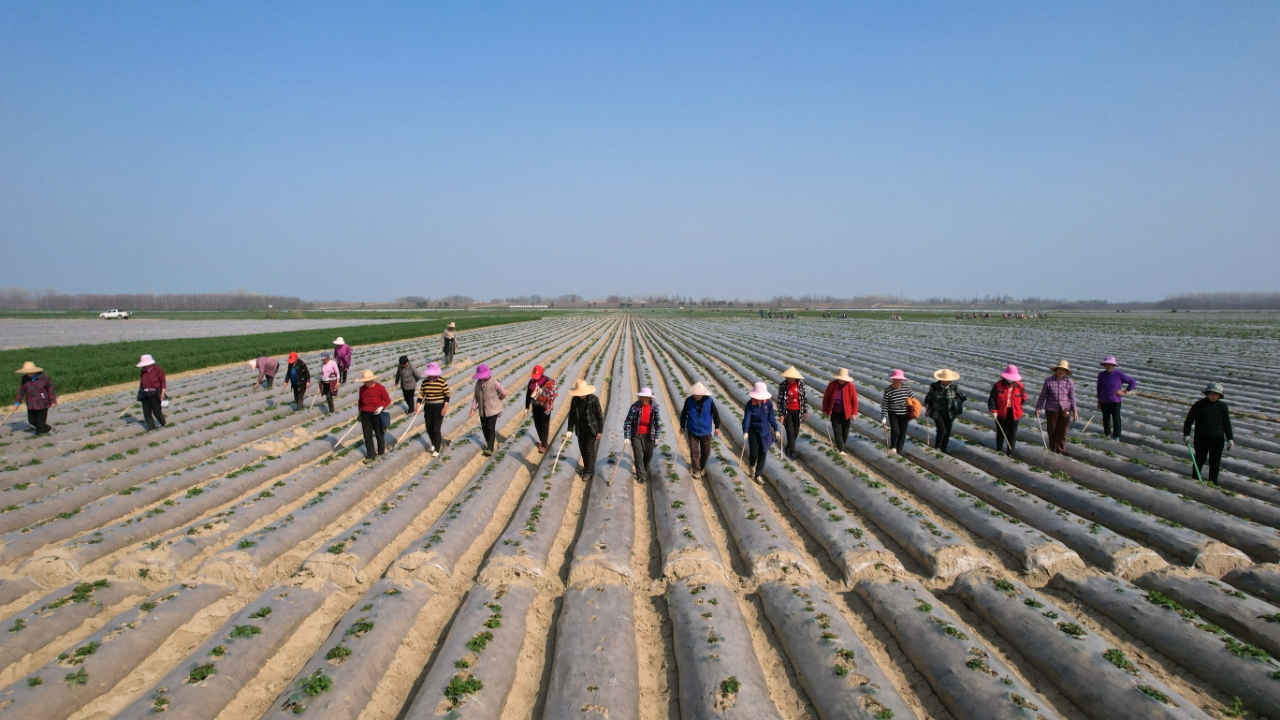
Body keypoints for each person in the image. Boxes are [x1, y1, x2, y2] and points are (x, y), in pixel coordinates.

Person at [1184, 382, 1233, 485]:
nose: (1213, 396)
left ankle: (1212, 483)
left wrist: (1230, 438)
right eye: (1211, 394)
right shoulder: (1199, 405)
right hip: (1201, 437)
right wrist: (1186, 434)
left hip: (1217, 439)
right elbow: (1189, 420)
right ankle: (1195, 480)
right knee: (1199, 459)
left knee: (1215, 462)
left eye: (1216, 394)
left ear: (1219, 395)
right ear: (1207, 394)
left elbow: (1227, 424)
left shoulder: (1222, 407)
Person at [679, 381, 721, 478]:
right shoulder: (689, 401)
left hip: (705, 431)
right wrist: (682, 426)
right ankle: (696, 470)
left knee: (706, 451)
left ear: (702, 394)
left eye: (698, 394)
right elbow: (684, 414)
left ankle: (701, 467)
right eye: (695, 394)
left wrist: (717, 427)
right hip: (692, 430)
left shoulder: (709, 401)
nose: (696, 396)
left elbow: (715, 414)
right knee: (694, 451)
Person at [1035, 360, 1078, 454]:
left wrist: (1074, 410)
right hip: (1051, 409)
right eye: (1059, 369)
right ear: (1056, 370)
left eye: (1063, 370)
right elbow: (1043, 395)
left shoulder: (1069, 383)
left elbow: (1072, 397)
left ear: (1066, 372)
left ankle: (1060, 451)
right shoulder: (1049, 381)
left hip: (1065, 409)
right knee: (1052, 430)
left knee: (1063, 431)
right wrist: (1038, 408)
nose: (1061, 372)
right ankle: (1053, 448)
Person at [565, 378, 603, 480]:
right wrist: (569, 429)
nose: (581, 395)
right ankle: (587, 468)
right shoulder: (575, 400)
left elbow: (599, 416)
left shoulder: (593, 399)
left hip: (591, 429)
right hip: (580, 428)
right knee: (582, 449)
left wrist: (599, 431)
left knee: (589, 449)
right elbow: (572, 415)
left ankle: (589, 472)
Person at [741, 382, 778, 483]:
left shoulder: (768, 403)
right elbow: (747, 419)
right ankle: (752, 466)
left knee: (763, 452)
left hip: (765, 431)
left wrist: (776, 429)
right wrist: (745, 431)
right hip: (753, 431)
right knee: (754, 453)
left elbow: (772, 417)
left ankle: (758, 475)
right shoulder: (750, 404)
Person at [623, 387, 661, 484]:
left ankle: (643, 468)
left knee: (649, 454)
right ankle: (641, 475)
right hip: (636, 433)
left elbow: (657, 423)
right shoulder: (635, 407)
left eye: (646, 398)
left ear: (650, 398)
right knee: (638, 454)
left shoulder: (654, 408)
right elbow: (628, 422)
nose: (644, 400)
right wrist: (627, 436)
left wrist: (656, 436)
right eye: (642, 397)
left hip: (649, 434)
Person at [987, 365, 1026, 456]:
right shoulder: (998, 385)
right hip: (1001, 413)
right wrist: (993, 411)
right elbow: (992, 398)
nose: (1010, 380)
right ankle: (999, 450)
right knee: (1001, 433)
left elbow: (1023, 398)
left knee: (1012, 434)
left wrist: (1018, 407)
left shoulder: (1019, 386)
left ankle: (1010, 453)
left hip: (1014, 413)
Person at [924, 369, 966, 452]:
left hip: (950, 413)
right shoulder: (934, 386)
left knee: (947, 432)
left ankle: (943, 449)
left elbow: (963, 397)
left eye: (947, 380)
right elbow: (928, 398)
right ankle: (937, 447)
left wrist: (957, 403)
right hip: (937, 412)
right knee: (942, 430)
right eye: (944, 379)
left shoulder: (954, 387)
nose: (945, 381)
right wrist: (927, 408)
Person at [469, 364, 507, 456]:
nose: (481, 378)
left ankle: (490, 448)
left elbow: (504, 393)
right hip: (482, 410)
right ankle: (488, 442)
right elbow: (476, 396)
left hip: (493, 410)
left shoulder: (494, 382)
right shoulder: (478, 383)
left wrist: (498, 400)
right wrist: (473, 408)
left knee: (490, 427)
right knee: (484, 427)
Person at [1096, 356, 1137, 441]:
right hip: (1104, 400)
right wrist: (1099, 400)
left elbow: (1132, 382)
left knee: (1116, 418)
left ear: (1113, 365)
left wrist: (1125, 392)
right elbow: (1099, 388)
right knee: (1106, 418)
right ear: (1104, 365)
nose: (1108, 366)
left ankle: (1116, 436)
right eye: (1107, 364)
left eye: (1110, 364)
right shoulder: (1101, 375)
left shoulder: (1118, 374)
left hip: (1115, 400)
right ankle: (1107, 434)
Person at [12, 361, 56, 434]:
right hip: (31, 403)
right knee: (32, 420)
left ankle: (40, 438)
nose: (27, 373)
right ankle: (49, 429)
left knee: (40, 424)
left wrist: (53, 401)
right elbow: (21, 391)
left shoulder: (44, 377)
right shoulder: (25, 379)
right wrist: (17, 403)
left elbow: (50, 389)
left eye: (29, 372)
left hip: (42, 403)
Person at [356, 369, 391, 461]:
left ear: (371, 380)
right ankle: (371, 455)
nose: (365, 383)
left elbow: (387, 400)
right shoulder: (362, 389)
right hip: (365, 414)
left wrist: (381, 407)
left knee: (379, 434)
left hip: (376, 414)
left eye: (367, 381)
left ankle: (381, 453)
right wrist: (359, 413)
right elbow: (360, 402)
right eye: (364, 382)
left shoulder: (380, 388)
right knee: (367, 435)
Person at [821, 369, 859, 453]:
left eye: (843, 379)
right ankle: (841, 449)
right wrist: (824, 410)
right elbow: (826, 398)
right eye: (840, 378)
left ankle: (841, 445)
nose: (841, 380)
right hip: (834, 412)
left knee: (845, 430)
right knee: (837, 430)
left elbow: (854, 400)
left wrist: (854, 413)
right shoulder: (832, 385)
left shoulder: (850, 386)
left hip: (846, 413)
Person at [417, 362, 450, 456]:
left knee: (436, 428)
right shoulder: (425, 382)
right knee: (428, 427)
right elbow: (421, 394)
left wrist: (445, 407)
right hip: (428, 407)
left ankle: (437, 449)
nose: (431, 375)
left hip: (438, 407)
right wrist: (417, 405)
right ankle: (434, 443)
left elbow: (447, 395)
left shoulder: (442, 381)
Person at [776, 367, 807, 459]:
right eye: (789, 377)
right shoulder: (783, 385)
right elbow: (780, 401)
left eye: (792, 377)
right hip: (787, 411)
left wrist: (805, 410)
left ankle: (789, 447)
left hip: (798, 411)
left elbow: (804, 398)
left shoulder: (801, 385)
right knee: (789, 430)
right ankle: (792, 452)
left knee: (796, 431)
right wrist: (781, 414)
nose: (791, 379)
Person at [881, 369, 914, 454]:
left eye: (898, 379)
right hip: (893, 414)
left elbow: (912, 400)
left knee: (902, 433)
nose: (896, 380)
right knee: (895, 431)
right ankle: (893, 447)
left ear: (901, 379)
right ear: (892, 379)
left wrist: (913, 410)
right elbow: (885, 404)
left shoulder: (907, 388)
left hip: (904, 414)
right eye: (895, 379)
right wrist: (884, 416)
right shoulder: (888, 390)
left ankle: (899, 450)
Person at [525, 364, 557, 452]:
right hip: (535, 405)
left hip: (546, 406)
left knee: (545, 425)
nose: (535, 378)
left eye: (537, 376)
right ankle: (542, 441)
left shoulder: (548, 382)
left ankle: (544, 444)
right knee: (537, 424)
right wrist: (527, 406)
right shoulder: (531, 382)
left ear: (542, 374)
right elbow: (528, 394)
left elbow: (553, 395)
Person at [136, 354, 167, 430]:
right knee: (147, 414)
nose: (145, 366)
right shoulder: (143, 371)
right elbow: (141, 383)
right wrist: (139, 394)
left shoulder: (158, 370)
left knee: (157, 413)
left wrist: (162, 393)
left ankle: (164, 424)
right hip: (145, 394)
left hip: (155, 394)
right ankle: (152, 429)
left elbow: (163, 382)